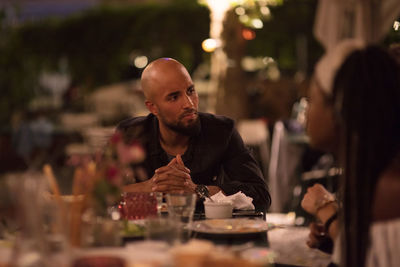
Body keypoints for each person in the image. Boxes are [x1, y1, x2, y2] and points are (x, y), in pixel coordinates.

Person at [117, 58, 271, 211]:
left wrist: (197, 191)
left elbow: (261, 196)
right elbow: (99, 195)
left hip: (211, 232)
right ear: (153, 108)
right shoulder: (131, 134)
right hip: (149, 232)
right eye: (174, 97)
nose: (189, 104)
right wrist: (149, 187)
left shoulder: (221, 131)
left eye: (190, 91)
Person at [301, 40, 400, 267]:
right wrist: (340, 244)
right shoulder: (371, 177)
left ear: (338, 110)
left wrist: (327, 210)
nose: (307, 111)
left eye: (313, 99)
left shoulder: (387, 193)